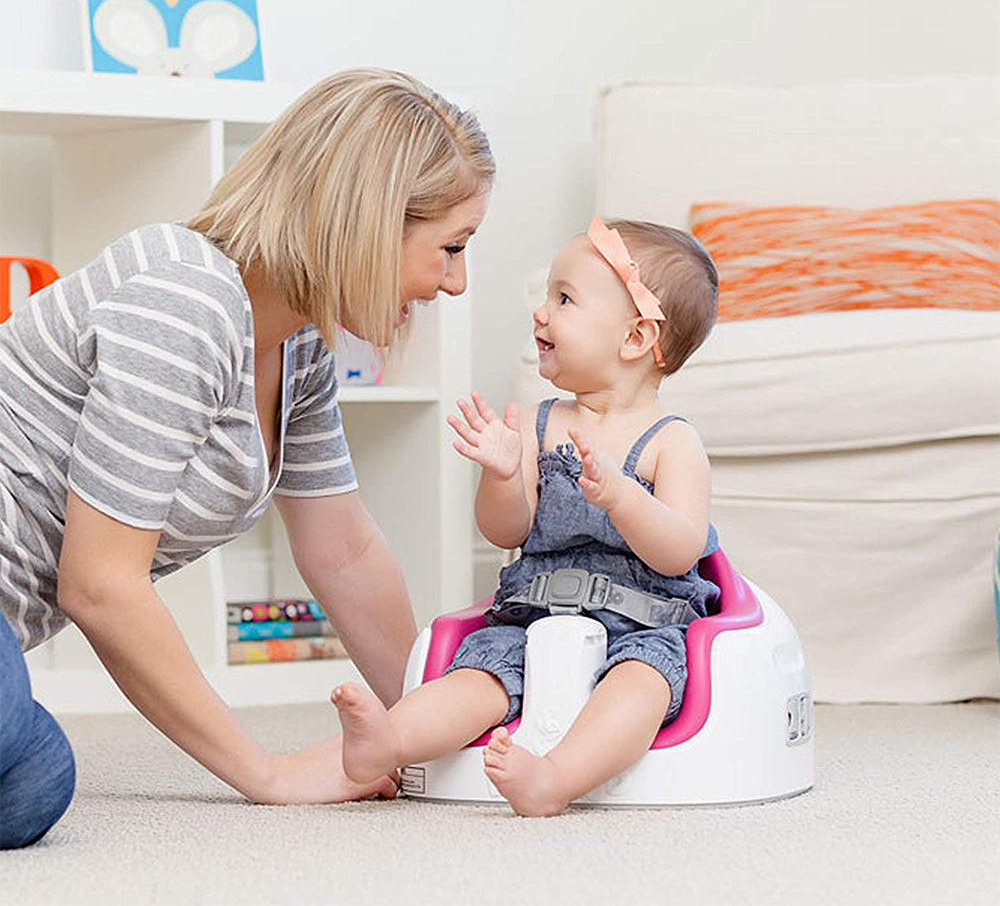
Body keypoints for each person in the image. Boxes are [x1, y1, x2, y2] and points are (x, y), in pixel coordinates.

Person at [0, 68, 495, 848]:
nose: (457, 282)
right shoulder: (186, 299)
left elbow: (344, 549)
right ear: (364, 221)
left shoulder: (297, 348)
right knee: (30, 762)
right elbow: (99, 583)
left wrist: (426, 724)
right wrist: (266, 773)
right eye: (450, 247)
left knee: (25, 782)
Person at [332, 214, 721, 816]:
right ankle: (390, 741)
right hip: (532, 617)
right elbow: (505, 531)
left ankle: (554, 779)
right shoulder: (542, 422)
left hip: (646, 626)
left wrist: (623, 496)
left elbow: (681, 549)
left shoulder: (673, 442)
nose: (541, 312)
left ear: (636, 339)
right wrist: (503, 472)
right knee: (479, 675)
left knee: (641, 687)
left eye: (564, 298)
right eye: (547, 296)